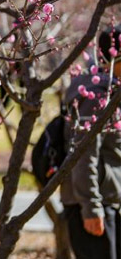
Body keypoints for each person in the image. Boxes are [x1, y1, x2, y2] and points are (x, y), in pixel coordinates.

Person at [60, 26, 121, 259]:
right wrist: (91, 207)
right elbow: (84, 155)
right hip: (93, 205)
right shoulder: (96, 97)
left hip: (108, 201)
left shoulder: (112, 92)